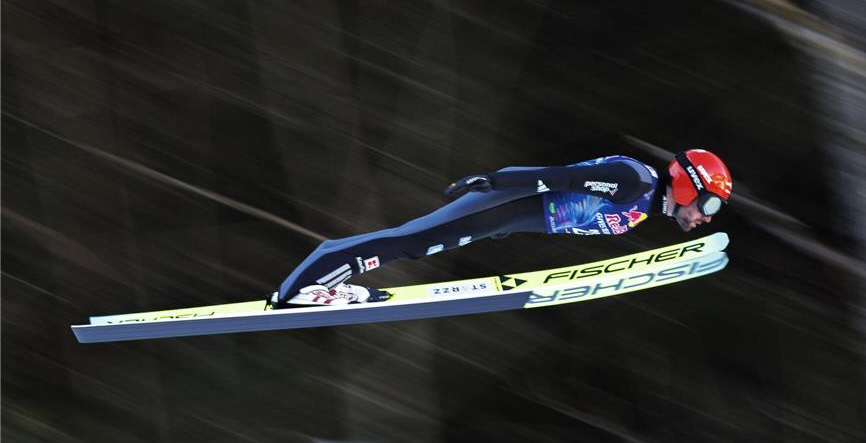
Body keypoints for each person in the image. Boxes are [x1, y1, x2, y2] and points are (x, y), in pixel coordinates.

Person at [270, 149, 732, 307]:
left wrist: (503, 224)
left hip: (504, 215)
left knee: (416, 243)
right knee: (413, 241)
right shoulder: (636, 182)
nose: (706, 216)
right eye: (709, 203)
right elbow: (562, 178)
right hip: (502, 200)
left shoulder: (644, 204)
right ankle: (306, 285)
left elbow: (559, 208)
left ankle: (324, 283)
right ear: (688, 184)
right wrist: (495, 182)